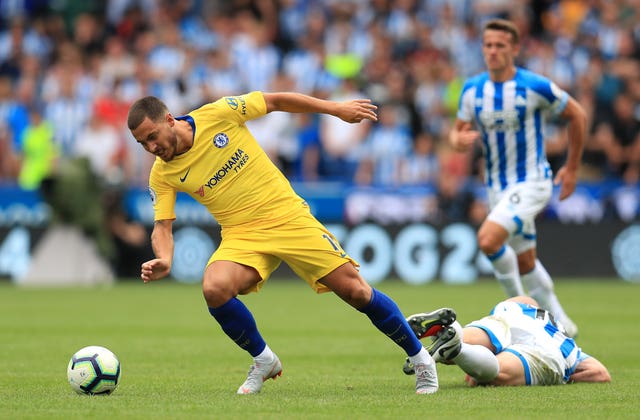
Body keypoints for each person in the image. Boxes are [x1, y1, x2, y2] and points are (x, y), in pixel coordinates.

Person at [126, 91, 439, 395]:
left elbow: (275, 101)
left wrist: (335, 109)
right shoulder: (162, 174)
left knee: (356, 291)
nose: (151, 147)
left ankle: (421, 359)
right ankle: (263, 360)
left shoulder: (218, 115)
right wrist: (165, 258)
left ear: (168, 119)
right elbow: (162, 226)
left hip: (286, 216)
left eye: (153, 136)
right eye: (142, 143)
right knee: (214, 288)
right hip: (241, 234)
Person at [448, 18, 587, 337]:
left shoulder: (534, 86)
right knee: (525, 261)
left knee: (488, 239)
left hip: (533, 182)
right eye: (488, 45)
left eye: (500, 45)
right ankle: (564, 325)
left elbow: (576, 114)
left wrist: (572, 167)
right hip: (496, 188)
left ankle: (518, 313)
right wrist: (458, 141)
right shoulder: (472, 90)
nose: (493, 51)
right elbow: (457, 134)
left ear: (514, 48)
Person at [403, 296, 611, 386]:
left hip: (513, 314)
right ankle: (458, 350)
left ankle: (452, 333)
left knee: (483, 332)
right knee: (493, 374)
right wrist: (566, 376)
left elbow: (523, 299)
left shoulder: (530, 307)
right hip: (548, 350)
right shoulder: (567, 344)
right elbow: (600, 374)